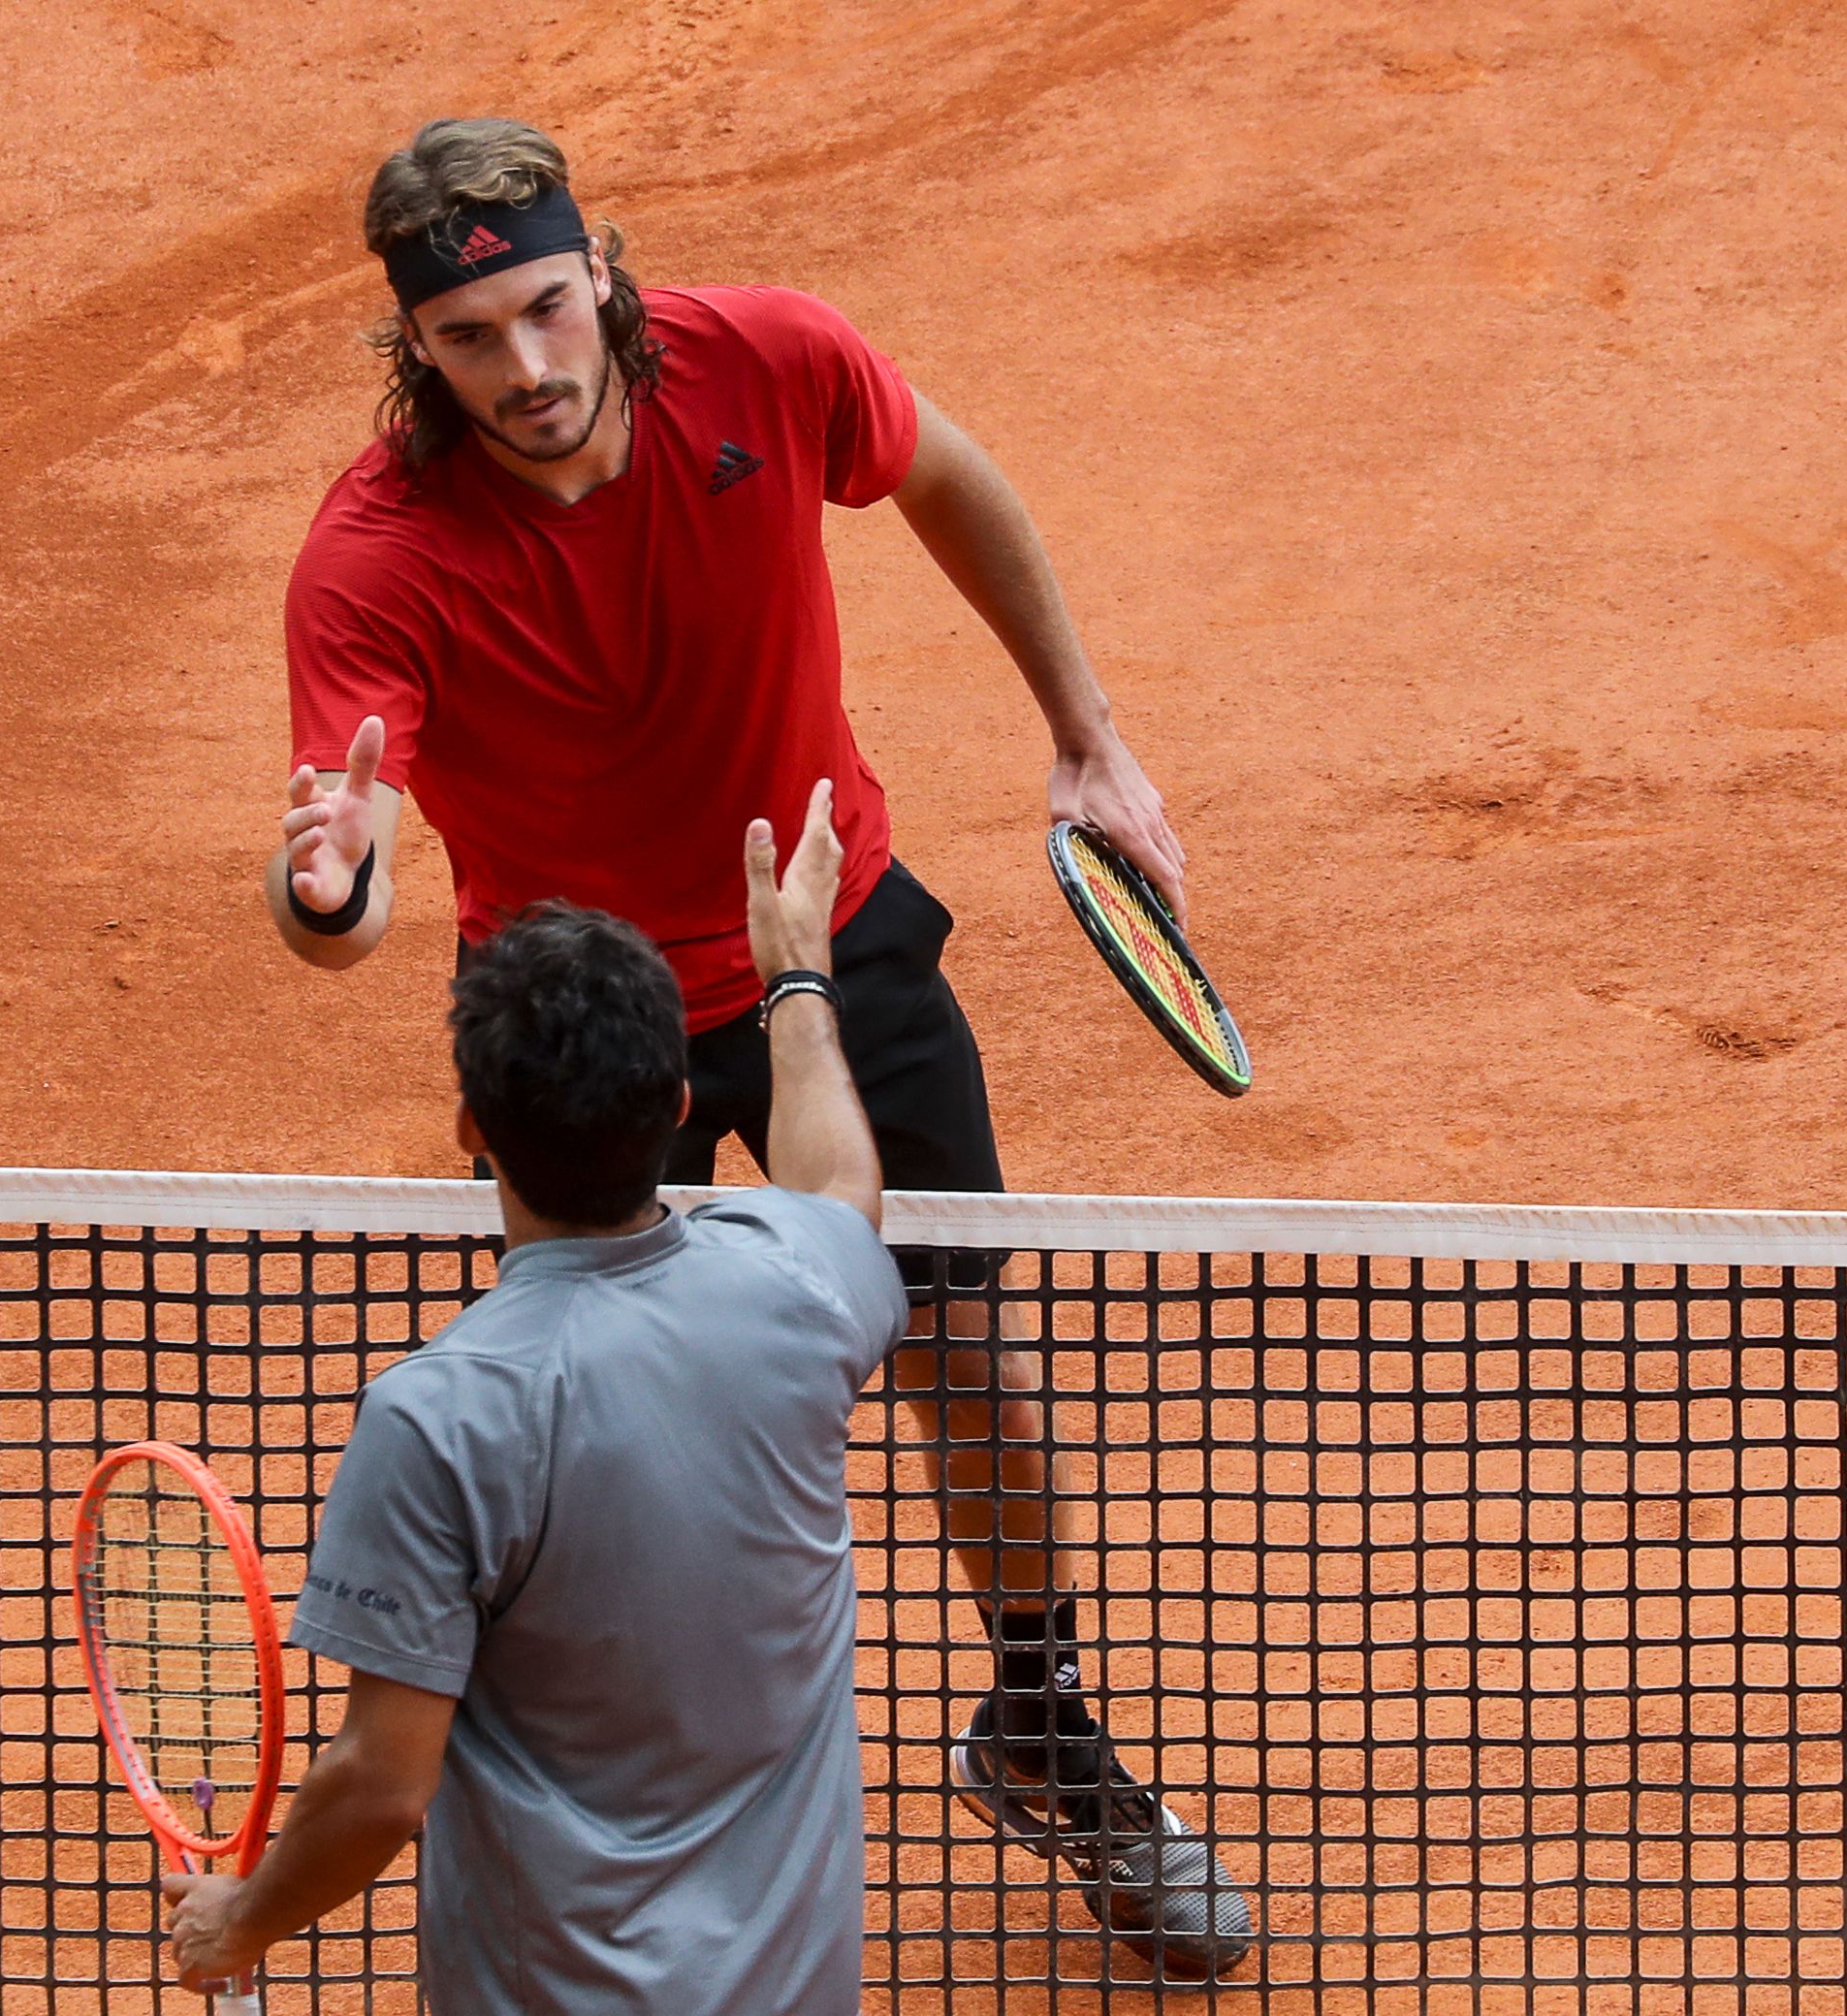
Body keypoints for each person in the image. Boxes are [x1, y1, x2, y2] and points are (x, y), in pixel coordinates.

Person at [263, 117, 1252, 1973]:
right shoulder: (374, 551)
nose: (528, 369)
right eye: (471, 338)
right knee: (609, 1417)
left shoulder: (768, 361)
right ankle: (583, 1772)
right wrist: (324, 888)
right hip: (577, 1006)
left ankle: (1039, 1716)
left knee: (967, 1358)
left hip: (830, 925)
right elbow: (351, 880)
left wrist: (1085, 734)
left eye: (549, 308)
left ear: (604, 274)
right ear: (418, 346)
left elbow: (946, 475)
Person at [164, 789, 901, 2009]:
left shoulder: (441, 1416)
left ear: (472, 1127)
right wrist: (798, 978)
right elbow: (837, 1179)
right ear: (674, 1112)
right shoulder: (800, 1288)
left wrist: (241, 1920)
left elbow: (383, 1787)